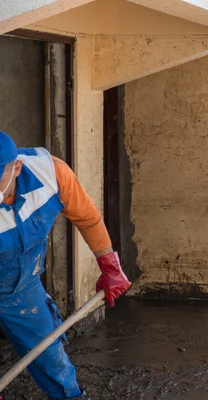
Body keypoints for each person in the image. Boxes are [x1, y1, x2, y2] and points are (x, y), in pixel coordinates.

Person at [0, 131, 131, 399]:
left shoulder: (51, 173)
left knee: (51, 358)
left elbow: (88, 218)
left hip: (21, 290)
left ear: (17, 168)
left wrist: (110, 267)